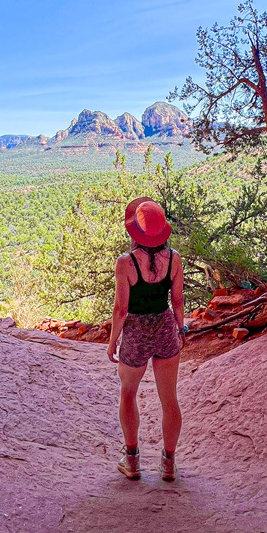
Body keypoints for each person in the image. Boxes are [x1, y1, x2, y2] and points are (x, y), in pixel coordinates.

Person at [107, 197, 185, 482]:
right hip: (164, 327)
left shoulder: (125, 263)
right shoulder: (174, 259)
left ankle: (132, 460)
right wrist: (180, 329)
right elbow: (177, 301)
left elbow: (121, 309)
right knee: (170, 400)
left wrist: (113, 340)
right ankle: (168, 463)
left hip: (137, 332)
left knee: (128, 393)